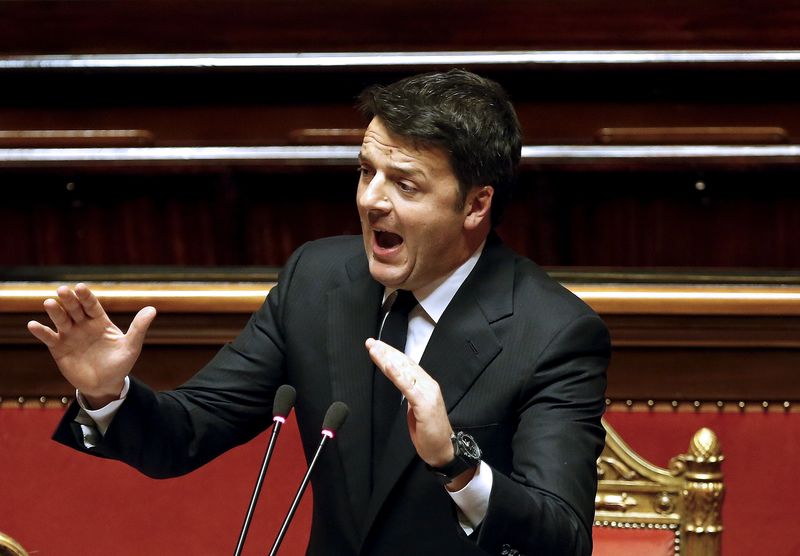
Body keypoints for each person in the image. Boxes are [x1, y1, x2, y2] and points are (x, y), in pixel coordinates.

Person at [28, 69, 609, 555]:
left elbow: (562, 539)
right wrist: (109, 394)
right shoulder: (318, 280)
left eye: (405, 184)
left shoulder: (553, 333)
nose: (370, 199)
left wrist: (455, 464)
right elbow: (188, 433)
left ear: (476, 204)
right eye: (366, 170)